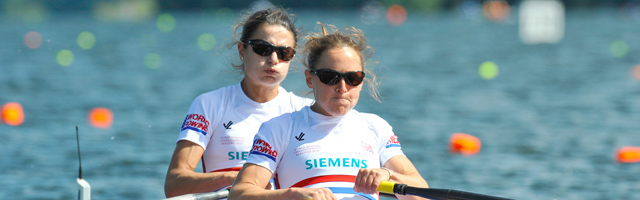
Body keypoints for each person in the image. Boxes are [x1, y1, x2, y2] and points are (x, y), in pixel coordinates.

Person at [229, 23, 429, 200]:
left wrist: (387, 174)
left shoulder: (375, 127)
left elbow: (422, 193)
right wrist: (293, 194)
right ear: (310, 79)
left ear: (362, 82)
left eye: (352, 78)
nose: (342, 87)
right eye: (330, 77)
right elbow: (239, 194)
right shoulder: (280, 128)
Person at [164, 7, 311, 198]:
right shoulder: (210, 105)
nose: (273, 59)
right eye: (263, 49)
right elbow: (174, 185)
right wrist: (237, 179)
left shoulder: (305, 110)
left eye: (284, 52)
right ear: (242, 50)